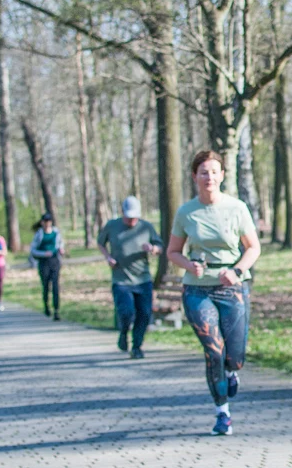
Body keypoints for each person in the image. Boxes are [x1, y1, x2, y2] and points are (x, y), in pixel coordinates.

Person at [167, 152, 261, 433]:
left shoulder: (237, 208)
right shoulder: (186, 212)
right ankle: (223, 413)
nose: (209, 177)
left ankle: (232, 372)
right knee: (213, 351)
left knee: (234, 356)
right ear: (194, 176)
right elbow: (173, 252)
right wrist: (188, 265)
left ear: (222, 175)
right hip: (198, 289)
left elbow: (253, 248)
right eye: (203, 172)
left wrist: (236, 271)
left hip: (232, 286)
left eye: (214, 172)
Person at [98, 196, 163, 359]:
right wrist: (107, 257)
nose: (132, 221)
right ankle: (124, 332)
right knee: (126, 311)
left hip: (143, 279)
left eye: (134, 217)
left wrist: (153, 248)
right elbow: (100, 243)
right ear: (122, 213)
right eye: (128, 217)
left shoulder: (146, 227)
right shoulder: (112, 226)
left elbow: (160, 246)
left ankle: (137, 346)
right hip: (121, 280)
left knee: (144, 314)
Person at [30, 213, 66, 319]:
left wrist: (61, 249)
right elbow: (33, 250)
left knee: (55, 286)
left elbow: (60, 243)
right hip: (43, 262)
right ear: (42, 222)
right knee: (46, 286)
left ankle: (56, 310)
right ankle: (46, 306)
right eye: (45, 221)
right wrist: (43, 254)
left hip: (54, 261)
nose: (47, 223)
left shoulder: (56, 232)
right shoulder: (39, 234)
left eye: (49, 221)